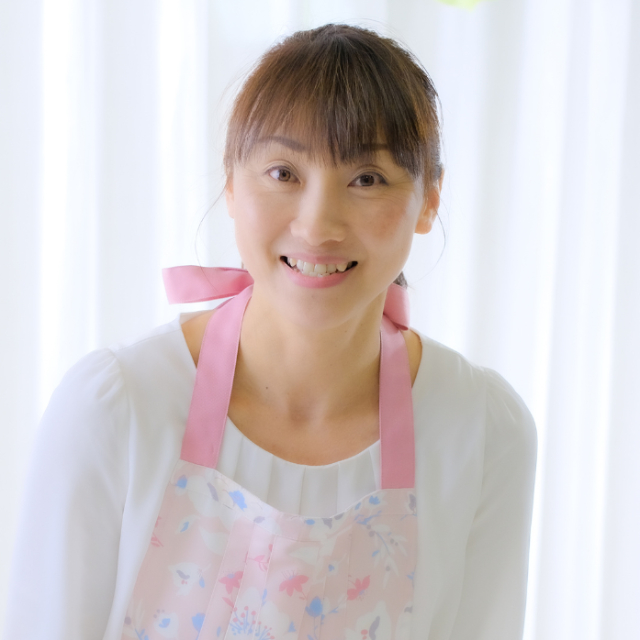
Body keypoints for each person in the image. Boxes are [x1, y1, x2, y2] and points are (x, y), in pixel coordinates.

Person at [3, 23, 537, 640]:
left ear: (429, 200)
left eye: (367, 178)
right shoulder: (117, 410)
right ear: (231, 184)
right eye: (284, 173)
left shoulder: (483, 431)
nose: (317, 226)